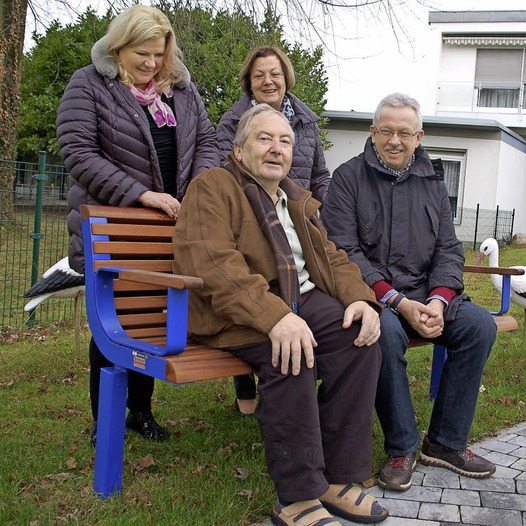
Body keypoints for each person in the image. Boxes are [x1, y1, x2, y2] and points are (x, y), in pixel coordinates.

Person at [173, 104, 387, 526]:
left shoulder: (296, 200)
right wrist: (275, 318)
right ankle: (297, 495)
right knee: (289, 352)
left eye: (285, 141)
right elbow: (215, 265)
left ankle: (338, 478)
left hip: (298, 301)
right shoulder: (213, 187)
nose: (277, 149)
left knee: (358, 339)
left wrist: (361, 299)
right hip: (232, 311)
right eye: (264, 139)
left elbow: (334, 258)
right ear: (238, 149)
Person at [57, 4, 218, 446]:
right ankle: (102, 418)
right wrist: (141, 194)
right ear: (118, 46)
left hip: (171, 222)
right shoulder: (88, 84)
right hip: (115, 223)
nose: (151, 64)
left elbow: (207, 141)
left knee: (155, 315)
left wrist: (195, 191)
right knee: (114, 320)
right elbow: (77, 151)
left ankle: (140, 413)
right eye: (141, 54)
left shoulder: (181, 91)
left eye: (159, 54)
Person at [322, 93, 498, 492]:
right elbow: (343, 251)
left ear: (419, 136)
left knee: (478, 326)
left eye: (404, 132)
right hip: (373, 295)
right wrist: (396, 301)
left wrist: (438, 300)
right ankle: (402, 447)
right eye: (386, 131)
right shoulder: (348, 178)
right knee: (381, 334)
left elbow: (449, 250)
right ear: (373, 132)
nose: (395, 140)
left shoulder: (433, 184)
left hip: (426, 292)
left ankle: (445, 441)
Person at [216, 45, 331, 415]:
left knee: (304, 287)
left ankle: (292, 392)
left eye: (275, 73)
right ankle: (250, 385)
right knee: (257, 283)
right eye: (260, 74)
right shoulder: (234, 122)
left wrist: (320, 210)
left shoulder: (306, 123)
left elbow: (319, 175)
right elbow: (223, 170)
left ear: (287, 79)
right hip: (252, 220)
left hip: (296, 218)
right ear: (249, 82)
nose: (269, 80)